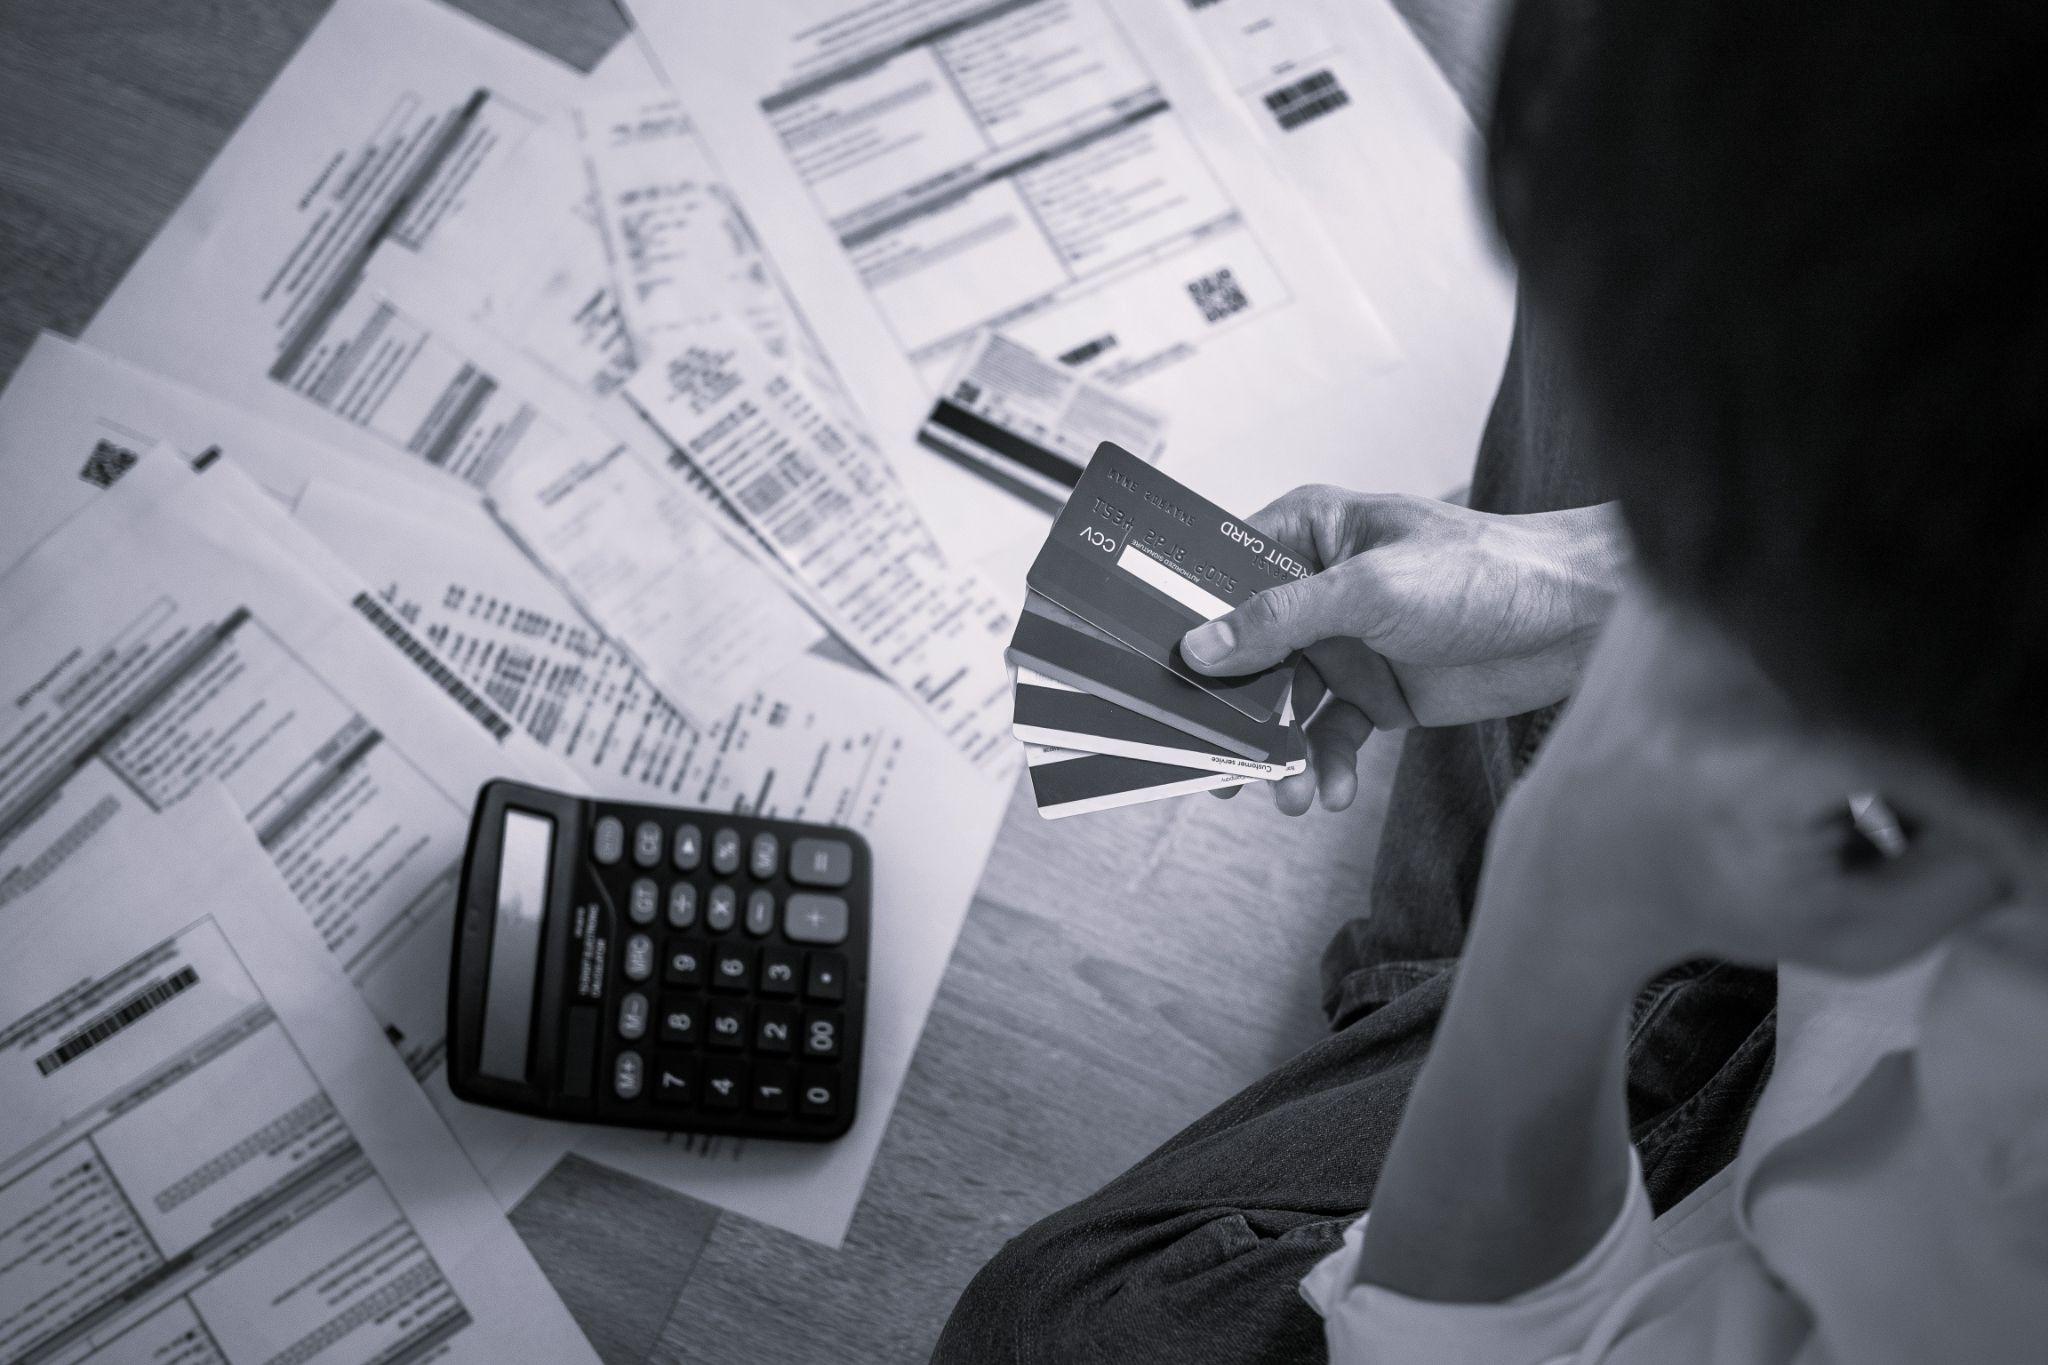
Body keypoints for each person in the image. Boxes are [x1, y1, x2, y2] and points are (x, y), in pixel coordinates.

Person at [935, 0, 2046, 1360]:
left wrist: (1562, 888)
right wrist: (1586, 579)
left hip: (1789, 1099)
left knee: (1055, 1334)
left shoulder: (1982, 1227)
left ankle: (1421, 1015)